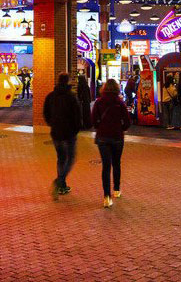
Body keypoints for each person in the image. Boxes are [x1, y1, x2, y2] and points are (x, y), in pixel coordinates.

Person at [91, 79, 131, 208]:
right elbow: (127, 121)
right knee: (116, 163)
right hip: (117, 137)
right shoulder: (119, 102)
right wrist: (121, 128)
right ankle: (117, 189)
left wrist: (100, 126)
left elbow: (93, 120)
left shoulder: (99, 102)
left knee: (106, 166)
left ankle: (106, 197)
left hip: (103, 137)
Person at [42, 72, 82, 198]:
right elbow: (77, 116)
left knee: (61, 159)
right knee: (70, 158)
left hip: (56, 133)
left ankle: (62, 186)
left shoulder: (51, 96)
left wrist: (52, 124)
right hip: (69, 133)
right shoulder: (71, 97)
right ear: (68, 81)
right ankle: (59, 181)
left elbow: (46, 113)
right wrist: (76, 129)